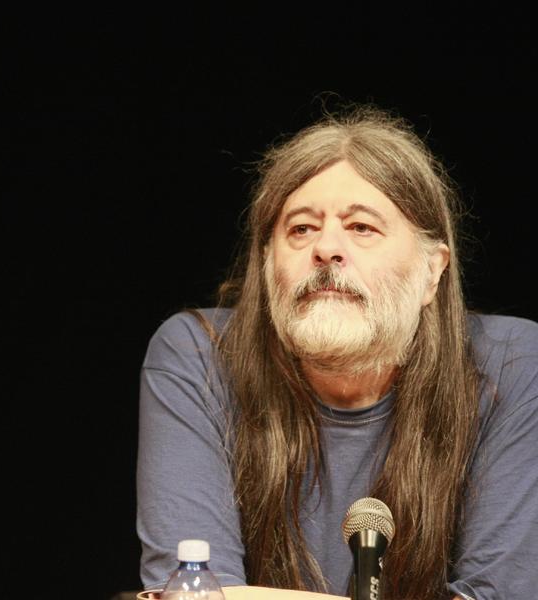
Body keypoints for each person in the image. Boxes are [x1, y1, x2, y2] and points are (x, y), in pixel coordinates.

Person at [136, 105, 538, 600]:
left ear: (432, 271)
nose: (326, 248)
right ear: (267, 265)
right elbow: (194, 590)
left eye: (362, 227)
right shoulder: (199, 355)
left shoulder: (514, 365)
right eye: (301, 229)